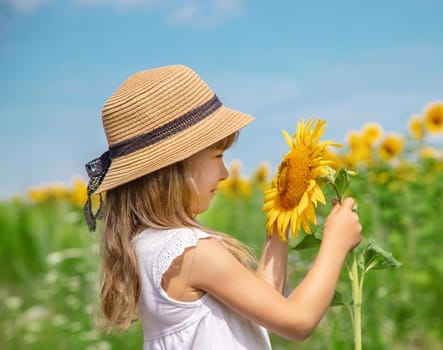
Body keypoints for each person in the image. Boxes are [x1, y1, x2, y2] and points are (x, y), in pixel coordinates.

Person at [84, 64, 362, 350]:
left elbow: (261, 304)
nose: (225, 173)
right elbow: (297, 321)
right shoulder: (191, 251)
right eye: (217, 155)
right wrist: (335, 244)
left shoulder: (147, 246)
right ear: (173, 169)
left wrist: (279, 225)